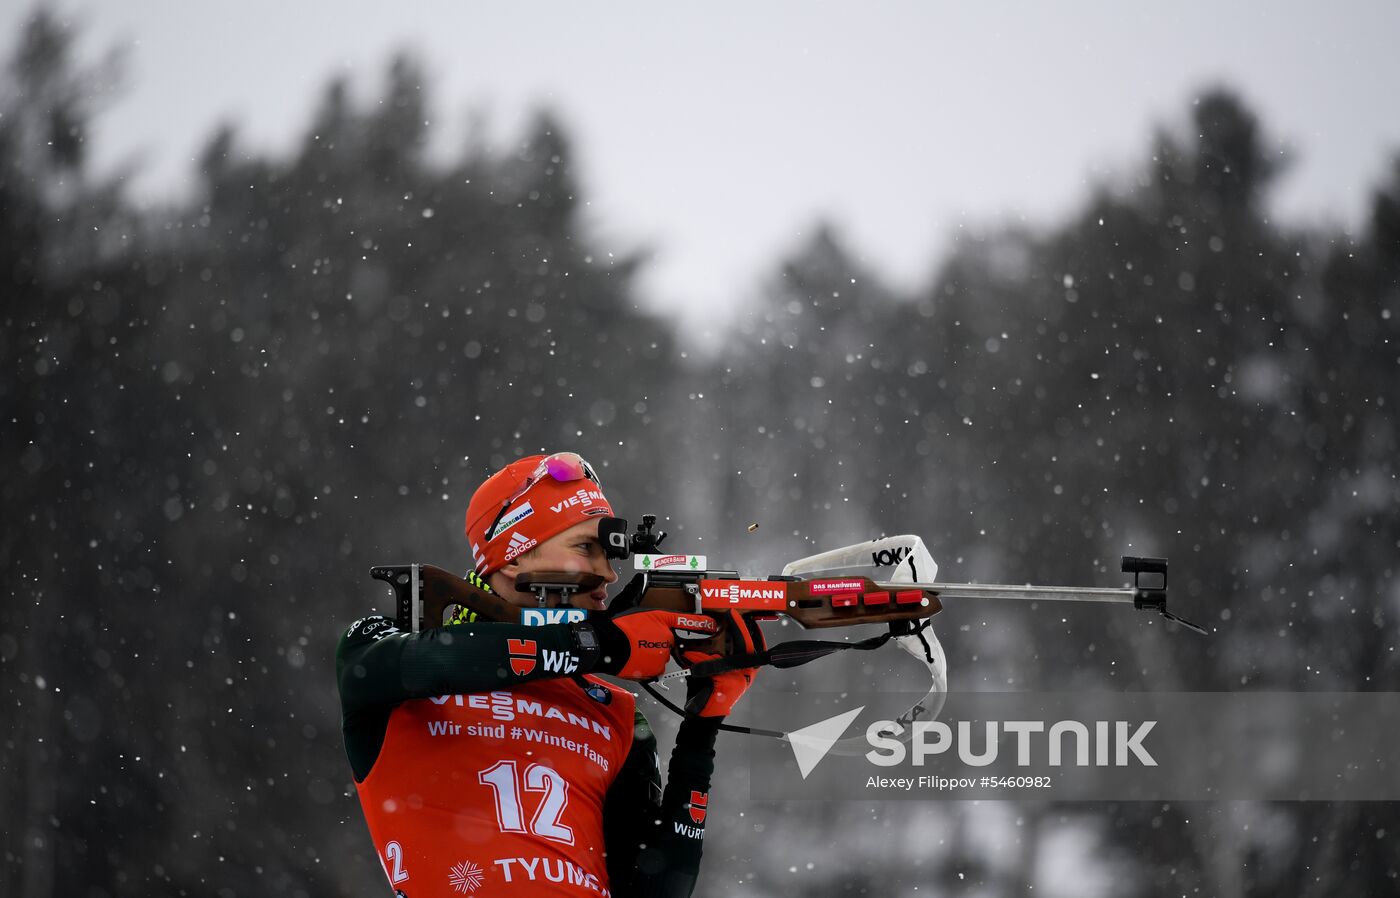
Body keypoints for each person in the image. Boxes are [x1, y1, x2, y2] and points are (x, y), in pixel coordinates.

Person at [337, 452, 762, 897]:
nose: (608, 575)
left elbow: (656, 888)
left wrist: (703, 726)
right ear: (513, 558)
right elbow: (444, 660)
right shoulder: (378, 645)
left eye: (609, 557)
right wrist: (601, 645)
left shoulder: (614, 711)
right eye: (586, 549)